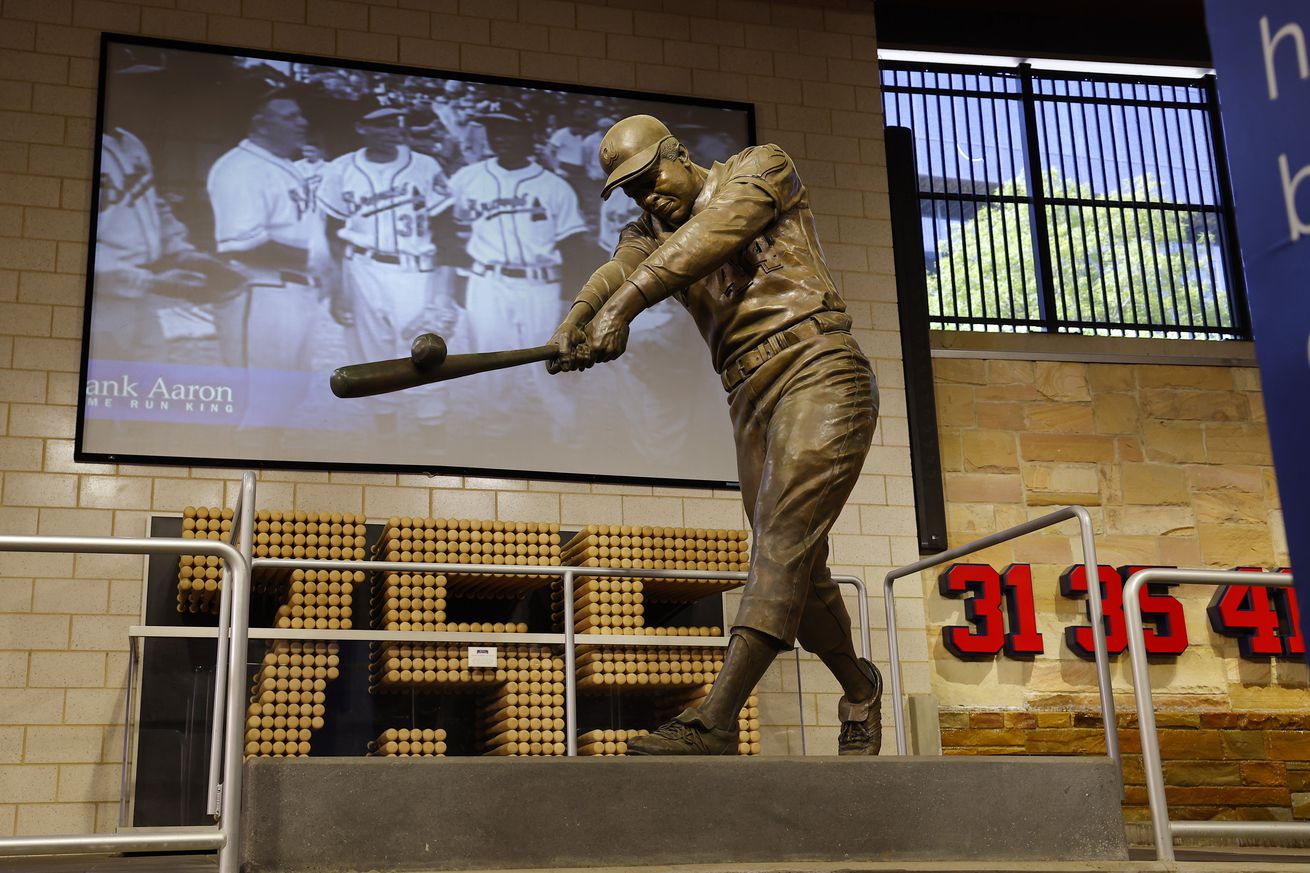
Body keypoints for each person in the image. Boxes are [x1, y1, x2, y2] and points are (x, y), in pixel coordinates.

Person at [549, 115, 884, 756]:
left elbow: (711, 234)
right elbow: (621, 268)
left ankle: (717, 720)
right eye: (633, 191)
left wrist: (622, 310)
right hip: (749, 396)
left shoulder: (760, 170)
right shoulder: (649, 232)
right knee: (803, 569)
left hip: (818, 369)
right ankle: (859, 685)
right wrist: (581, 316)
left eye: (652, 178)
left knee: (781, 542)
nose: (649, 196)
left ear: (678, 152)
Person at [444, 112, 590, 443]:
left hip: (541, 285)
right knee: (489, 363)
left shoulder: (554, 186)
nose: (501, 137)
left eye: (510, 130)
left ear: (529, 137)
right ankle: (494, 437)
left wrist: (571, 303)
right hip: (487, 283)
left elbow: (573, 246)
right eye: (495, 131)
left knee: (553, 363)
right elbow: (447, 232)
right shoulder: (466, 178)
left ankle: (567, 437)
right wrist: (454, 282)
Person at [317, 106, 460, 433]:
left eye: (393, 121)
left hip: (417, 270)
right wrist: (339, 288)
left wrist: (443, 291)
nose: (390, 129)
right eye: (379, 123)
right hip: (361, 269)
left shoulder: (425, 166)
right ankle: (388, 439)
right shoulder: (340, 169)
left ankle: (432, 435)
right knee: (373, 357)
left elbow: (447, 232)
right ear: (360, 126)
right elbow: (332, 233)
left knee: (426, 353)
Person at [207, 89, 324, 425]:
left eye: (300, 115)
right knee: (259, 402)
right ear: (259, 123)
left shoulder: (286, 165)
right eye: (289, 117)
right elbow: (244, 242)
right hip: (259, 291)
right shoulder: (241, 167)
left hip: (295, 291)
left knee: (288, 396)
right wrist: (317, 256)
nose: (302, 122)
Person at [92, 126, 243, 361]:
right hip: (99, 298)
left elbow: (152, 203)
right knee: (106, 377)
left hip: (141, 295)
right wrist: (154, 282)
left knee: (149, 376)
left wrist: (184, 253)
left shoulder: (132, 142)